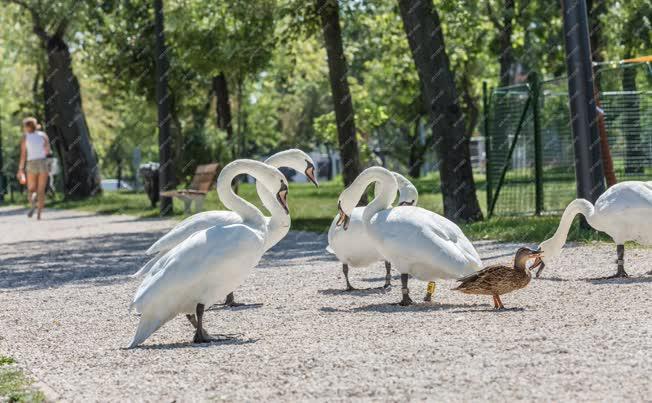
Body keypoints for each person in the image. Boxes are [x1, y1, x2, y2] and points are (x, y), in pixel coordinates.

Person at [17, 117, 51, 220]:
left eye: (24, 126)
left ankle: (33, 203)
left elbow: (23, 154)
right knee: (41, 190)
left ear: (28, 126)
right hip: (43, 162)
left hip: (31, 163)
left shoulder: (25, 137)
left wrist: (20, 169)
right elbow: (47, 151)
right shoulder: (43, 135)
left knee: (31, 189)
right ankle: (39, 215)